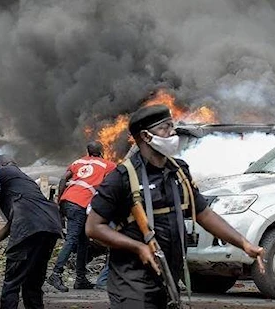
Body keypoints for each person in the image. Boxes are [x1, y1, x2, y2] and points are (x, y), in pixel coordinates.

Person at [85, 104, 265, 308]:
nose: (172, 132)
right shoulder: (122, 177)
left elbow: (203, 214)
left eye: (172, 126)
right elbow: (93, 227)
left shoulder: (179, 171)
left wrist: (244, 244)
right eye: (165, 128)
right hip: (132, 281)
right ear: (145, 136)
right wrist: (137, 247)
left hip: (169, 277)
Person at [0, 154, 62, 309]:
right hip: (50, 227)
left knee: (12, 284)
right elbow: (10, 227)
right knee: (33, 285)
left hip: (30, 228)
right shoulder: (26, 183)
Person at [47, 141, 116, 292]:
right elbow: (111, 186)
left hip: (68, 200)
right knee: (72, 239)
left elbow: (63, 179)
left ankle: (80, 279)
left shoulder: (78, 161)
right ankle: (56, 274)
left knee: (83, 242)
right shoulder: (109, 165)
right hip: (80, 204)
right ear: (102, 151)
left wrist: (60, 202)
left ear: (88, 151)